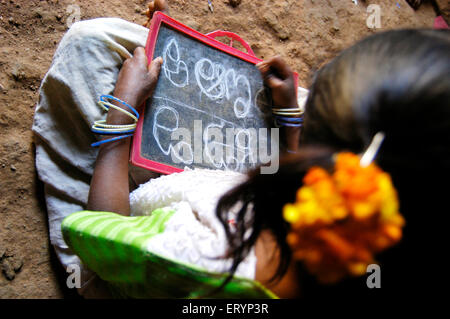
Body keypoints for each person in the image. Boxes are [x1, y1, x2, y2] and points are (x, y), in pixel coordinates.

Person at [33, 0, 450, 299]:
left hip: (137, 255)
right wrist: (290, 114)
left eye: (311, 109)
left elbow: (105, 232)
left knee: (90, 44)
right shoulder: (370, 251)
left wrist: (123, 111)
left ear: (326, 170)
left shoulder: (207, 259)